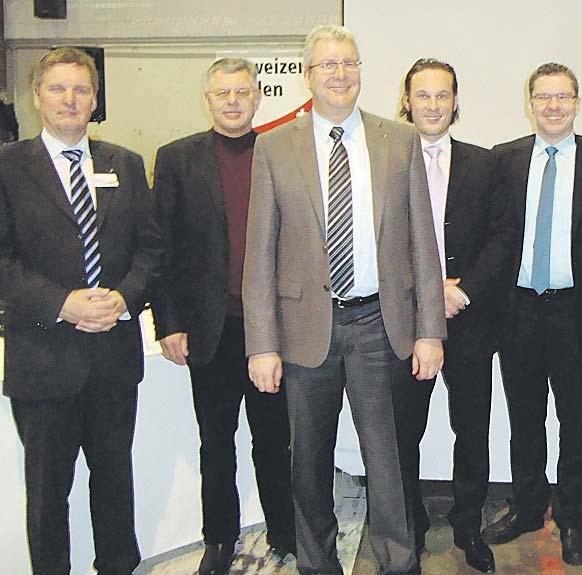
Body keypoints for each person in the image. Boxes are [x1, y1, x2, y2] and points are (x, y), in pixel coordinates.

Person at [241, 25, 446, 575]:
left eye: (349, 62)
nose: (339, 73)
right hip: (305, 332)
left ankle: (398, 563)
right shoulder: (273, 147)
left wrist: (430, 330)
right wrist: (262, 344)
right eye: (328, 64)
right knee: (308, 463)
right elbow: (260, 255)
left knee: (388, 461)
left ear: (360, 71)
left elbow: (424, 245)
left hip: (380, 324)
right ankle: (318, 564)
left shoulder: (398, 140)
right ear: (308, 75)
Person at [0, 46, 160, 575]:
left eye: (81, 89)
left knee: (115, 483)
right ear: (37, 96)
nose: (70, 99)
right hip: (44, 362)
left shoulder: (125, 164)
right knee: (48, 496)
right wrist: (62, 304)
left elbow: (151, 249)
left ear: (94, 100)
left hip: (113, 359)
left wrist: (125, 297)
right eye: (58, 88)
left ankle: (118, 566)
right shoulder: (7, 167)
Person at [150, 57, 295, 575]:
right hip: (210, 330)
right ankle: (219, 538)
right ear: (207, 99)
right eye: (222, 93)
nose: (233, 102)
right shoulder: (177, 158)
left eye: (242, 92)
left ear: (257, 98)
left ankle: (285, 530)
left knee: (275, 438)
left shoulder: (281, 153)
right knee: (216, 441)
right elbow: (160, 246)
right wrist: (168, 322)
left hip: (270, 330)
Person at [481, 62, 582, 566]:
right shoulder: (504, 159)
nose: (553, 106)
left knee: (576, 420)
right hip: (518, 309)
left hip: (574, 313)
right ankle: (528, 506)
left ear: (577, 103)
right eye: (543, 97)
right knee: (524, 417)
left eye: (563, 97)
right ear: (530, 103)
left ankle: (573, 516)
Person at [393, 58, 513, 574]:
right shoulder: (386, 163)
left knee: (472, 427)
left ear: (456, 101)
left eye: (443, 95)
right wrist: (423, 293)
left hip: (469, 318)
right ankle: (410, 525)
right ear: (407, 101)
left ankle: (468, 526)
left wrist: (462, 292)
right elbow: (379, 241)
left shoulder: (486, 164)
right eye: (423, 95)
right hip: (407, 320)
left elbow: (503, 238)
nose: (433, 104)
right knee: (404, 430)